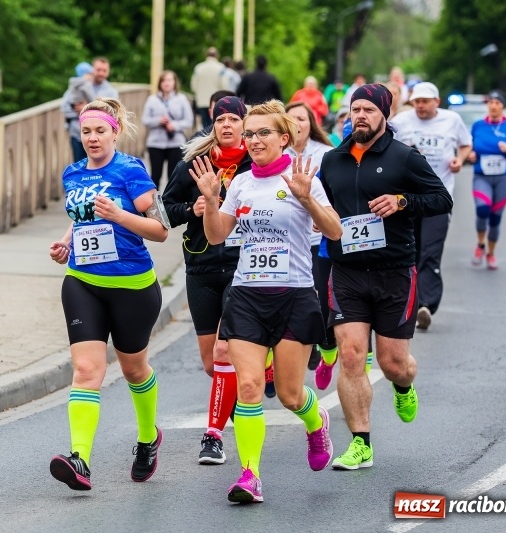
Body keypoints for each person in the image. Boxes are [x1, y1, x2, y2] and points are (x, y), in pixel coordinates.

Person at [189, 100, 341, 503]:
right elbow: (218, 235)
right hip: (246, 296)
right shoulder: (240, 183)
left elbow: (335, 230)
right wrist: (210, 199)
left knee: (291, 395)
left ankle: (316, 420)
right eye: (249, 134)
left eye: (263, 133)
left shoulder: (302, 176)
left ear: (284, 138)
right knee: (251, 386)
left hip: (293, 295)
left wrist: (308, 200)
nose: (253, 140)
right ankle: (250, 475)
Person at [319, 84, 452, 470]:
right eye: (354, 109)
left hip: (395, 272)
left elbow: (442, 200)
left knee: (394, 363)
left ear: (384, 114)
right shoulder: (333, 160)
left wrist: (402, 201)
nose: (360, 115)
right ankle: (361, 442)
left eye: (368, 110)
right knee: (351, 355)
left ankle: (403, 383)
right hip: (347, 272)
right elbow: (320, 207)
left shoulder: (405, 159)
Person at [48, 97, 169, 491]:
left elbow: (160, 230)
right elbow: (79, 219)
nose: (93, 138)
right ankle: (80, 459)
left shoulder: (131, 171)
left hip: (132, 285)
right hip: (82, 281)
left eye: (100, 130)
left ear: (115, 132)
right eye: (86, 132)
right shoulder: (72, 173)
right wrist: (66, 242)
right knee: (86, 371)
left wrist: (120, 216)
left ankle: (148, 437)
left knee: (134, 369)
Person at [164, 96, 251, 465]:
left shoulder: (254, 164)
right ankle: (242, 403)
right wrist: (192, 209)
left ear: (244, 125)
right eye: (220, 119)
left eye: (234, 119)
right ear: (212, 124)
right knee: (210, 362)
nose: (226, 125)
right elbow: (163, 210)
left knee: (223, 350)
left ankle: (213, 436)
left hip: (242, 266)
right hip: (200, 267)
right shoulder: (194, 164)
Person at [391, 82, 472, 330]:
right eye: (417, 101)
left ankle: (426, 305)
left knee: (430, 252)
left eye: (426, 101)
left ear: (436, 102)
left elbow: (465, 143)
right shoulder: (401, 121)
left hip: (439, 197)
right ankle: (409, 304)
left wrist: (460, 158)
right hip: (407, 198)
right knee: (410, 253)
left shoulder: (452, 119)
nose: (421, 106)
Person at [284, 101, 334, 371]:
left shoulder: (327, 154)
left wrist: (322, 215)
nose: (297, 124)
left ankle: (325, 347)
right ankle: (302, 347)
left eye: (301, 118)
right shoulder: (275, 153)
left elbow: (337, 194)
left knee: (320, 299)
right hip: (286, 240)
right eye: (291, 119)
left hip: (318, 241)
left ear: (310, 123)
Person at [466, 90, 506, 270]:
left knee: (495, 218)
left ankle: (491, 253)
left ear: (503, 107)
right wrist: (471, 154)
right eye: (491, 102)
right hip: (482, 176)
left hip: (503, 178)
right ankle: (480, 244)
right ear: (487, 105)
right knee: (482, 210)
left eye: (497, 103)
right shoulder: (477, 126)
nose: (493, 106)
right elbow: (467, 147)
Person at [142, 70, 195, 190]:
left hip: (175, 141)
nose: (167, 83)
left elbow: (189, 120)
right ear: (160, 83)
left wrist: (174, 125)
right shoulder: (152, 99)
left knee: (174, 175)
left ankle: (170, 203)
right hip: (156, 142)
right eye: (164, 80)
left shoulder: (181, 99)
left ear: (174, 83)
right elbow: (145, 119)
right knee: (155, 175)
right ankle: (153, 203)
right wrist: (158, 121)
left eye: (170, 80)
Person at [62, 57, 119, 163]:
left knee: (101, 168)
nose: (101, 73)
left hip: (101, 139)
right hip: (78, 135)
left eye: (104, 71)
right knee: (80, 168)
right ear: (92, 69)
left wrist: (86, 109)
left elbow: (113, 114)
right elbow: (65, 108)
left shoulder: (111, 92)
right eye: (98, 70)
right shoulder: (78, 85)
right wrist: (80, 112)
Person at [191, 47, 227, 130]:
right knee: (215, 123)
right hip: (217, 101)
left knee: (205, 125)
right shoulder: (221, 68)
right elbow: (224, 85)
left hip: (202, 101)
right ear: (217, 55)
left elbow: (193, 86)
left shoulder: (198, 68)